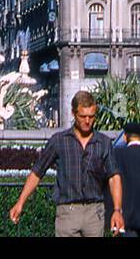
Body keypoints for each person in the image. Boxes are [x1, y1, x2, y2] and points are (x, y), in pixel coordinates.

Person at [9, 91, 124, 237]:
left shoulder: (104, 143)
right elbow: (37, 172)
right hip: (67, 213)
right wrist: (20, 202)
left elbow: (114, 177)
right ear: (73, 113)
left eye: (91, 116)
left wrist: (117, 210)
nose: (87, 121)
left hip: (94, 213)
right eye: (83, 116)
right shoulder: (59, 141)